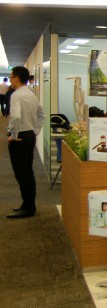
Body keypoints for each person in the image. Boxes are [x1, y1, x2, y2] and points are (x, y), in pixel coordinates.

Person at [6, 66, 46, 219]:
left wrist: (13, 135)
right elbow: (42, 115)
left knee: (22, 174)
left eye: (11, 77)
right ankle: (28, 204)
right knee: (27, 172)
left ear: (17, 78)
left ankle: (28, 207)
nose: (10, 80)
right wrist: (35, 131)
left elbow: (15, 117)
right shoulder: (31, 94)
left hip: (20, 137)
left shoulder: (17, 95)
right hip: (29, 135)